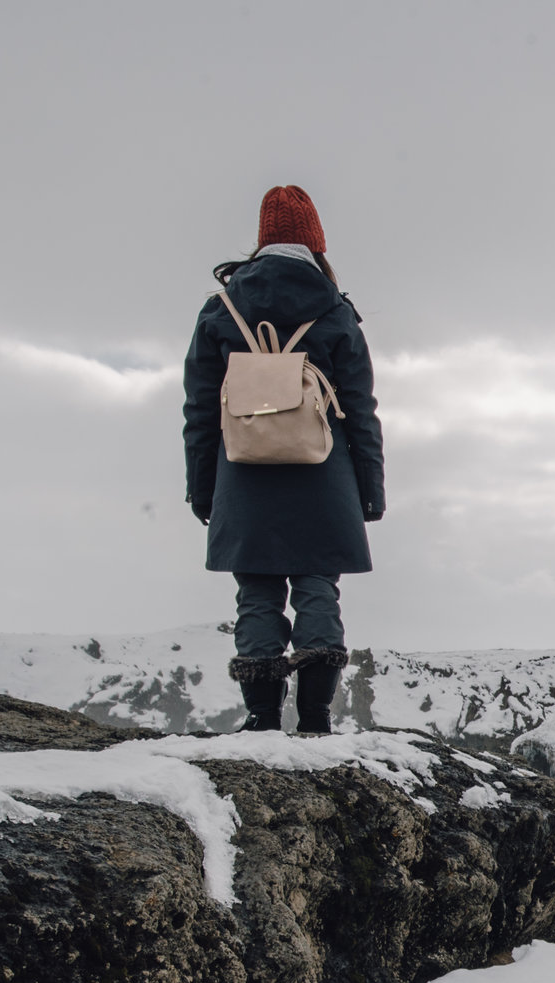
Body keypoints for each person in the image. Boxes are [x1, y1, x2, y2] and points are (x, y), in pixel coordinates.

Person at [181, 185, 384, 734]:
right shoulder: (336, 311)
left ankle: (262, 719)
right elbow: (360, 410)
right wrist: (370, 489)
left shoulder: (219, 310)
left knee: (257, 591)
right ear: (315, 244)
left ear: (261, 241)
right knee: (318, 584)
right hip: (324, 471)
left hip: (242, 471)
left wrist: (204, 488)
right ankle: (316, 719)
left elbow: (200, 410)